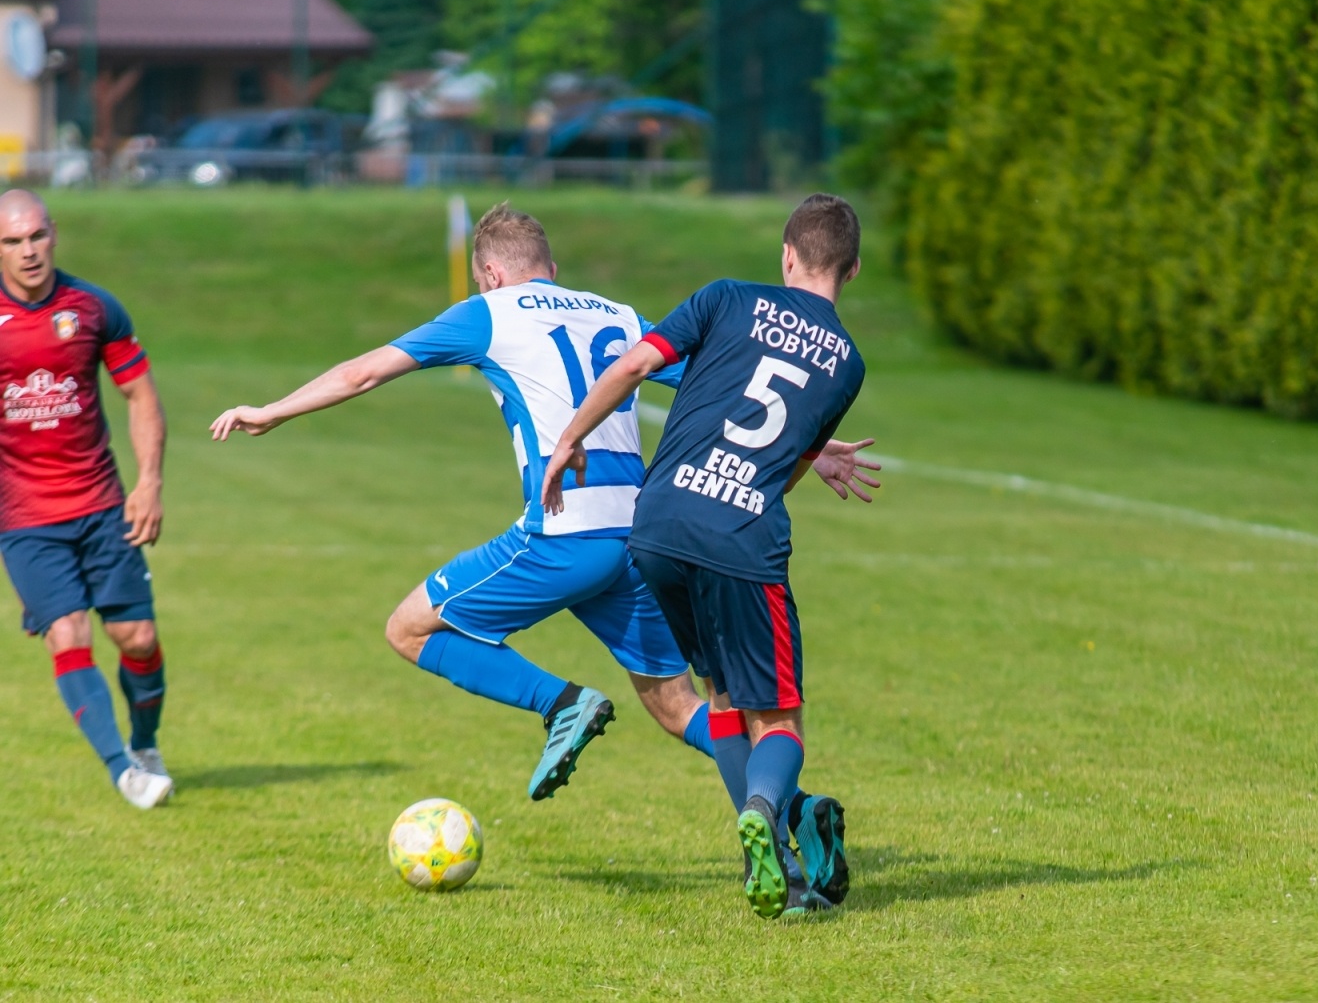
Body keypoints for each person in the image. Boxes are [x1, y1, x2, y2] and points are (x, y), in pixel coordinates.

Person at [209, 204, 877, 842]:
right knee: (677, 705)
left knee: (407, 629)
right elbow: (728, 378)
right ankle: (787, 809)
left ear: (491, 274)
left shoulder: (488, 312)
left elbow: (363, 373)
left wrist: (272, 411)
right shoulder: (615, 313)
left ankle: (560, 703)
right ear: (551, 270)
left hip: (566, 531)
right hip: (640, 535)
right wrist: (810, 450)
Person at [543, 193, 868, 919]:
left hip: (658, 524)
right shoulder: (847, 363)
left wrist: (570, 439)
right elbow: (788, 467)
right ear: (852, 269)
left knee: (721, 696)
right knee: (778, 719)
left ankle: (780, 871)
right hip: (741, 536)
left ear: (787, 253)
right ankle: (763, 809)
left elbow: (634, 365)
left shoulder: (725, 297)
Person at [0, 189, 173, 809]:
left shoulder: (94, 308)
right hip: (26, 520)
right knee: (68, 632)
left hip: (102, 508)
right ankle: (123, 770)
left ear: (54, 234)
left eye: (36, 236)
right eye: (12, 241)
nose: (28, 251)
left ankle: (144, 745)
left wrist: (149, 483)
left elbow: (140, 395)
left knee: (138, 638)